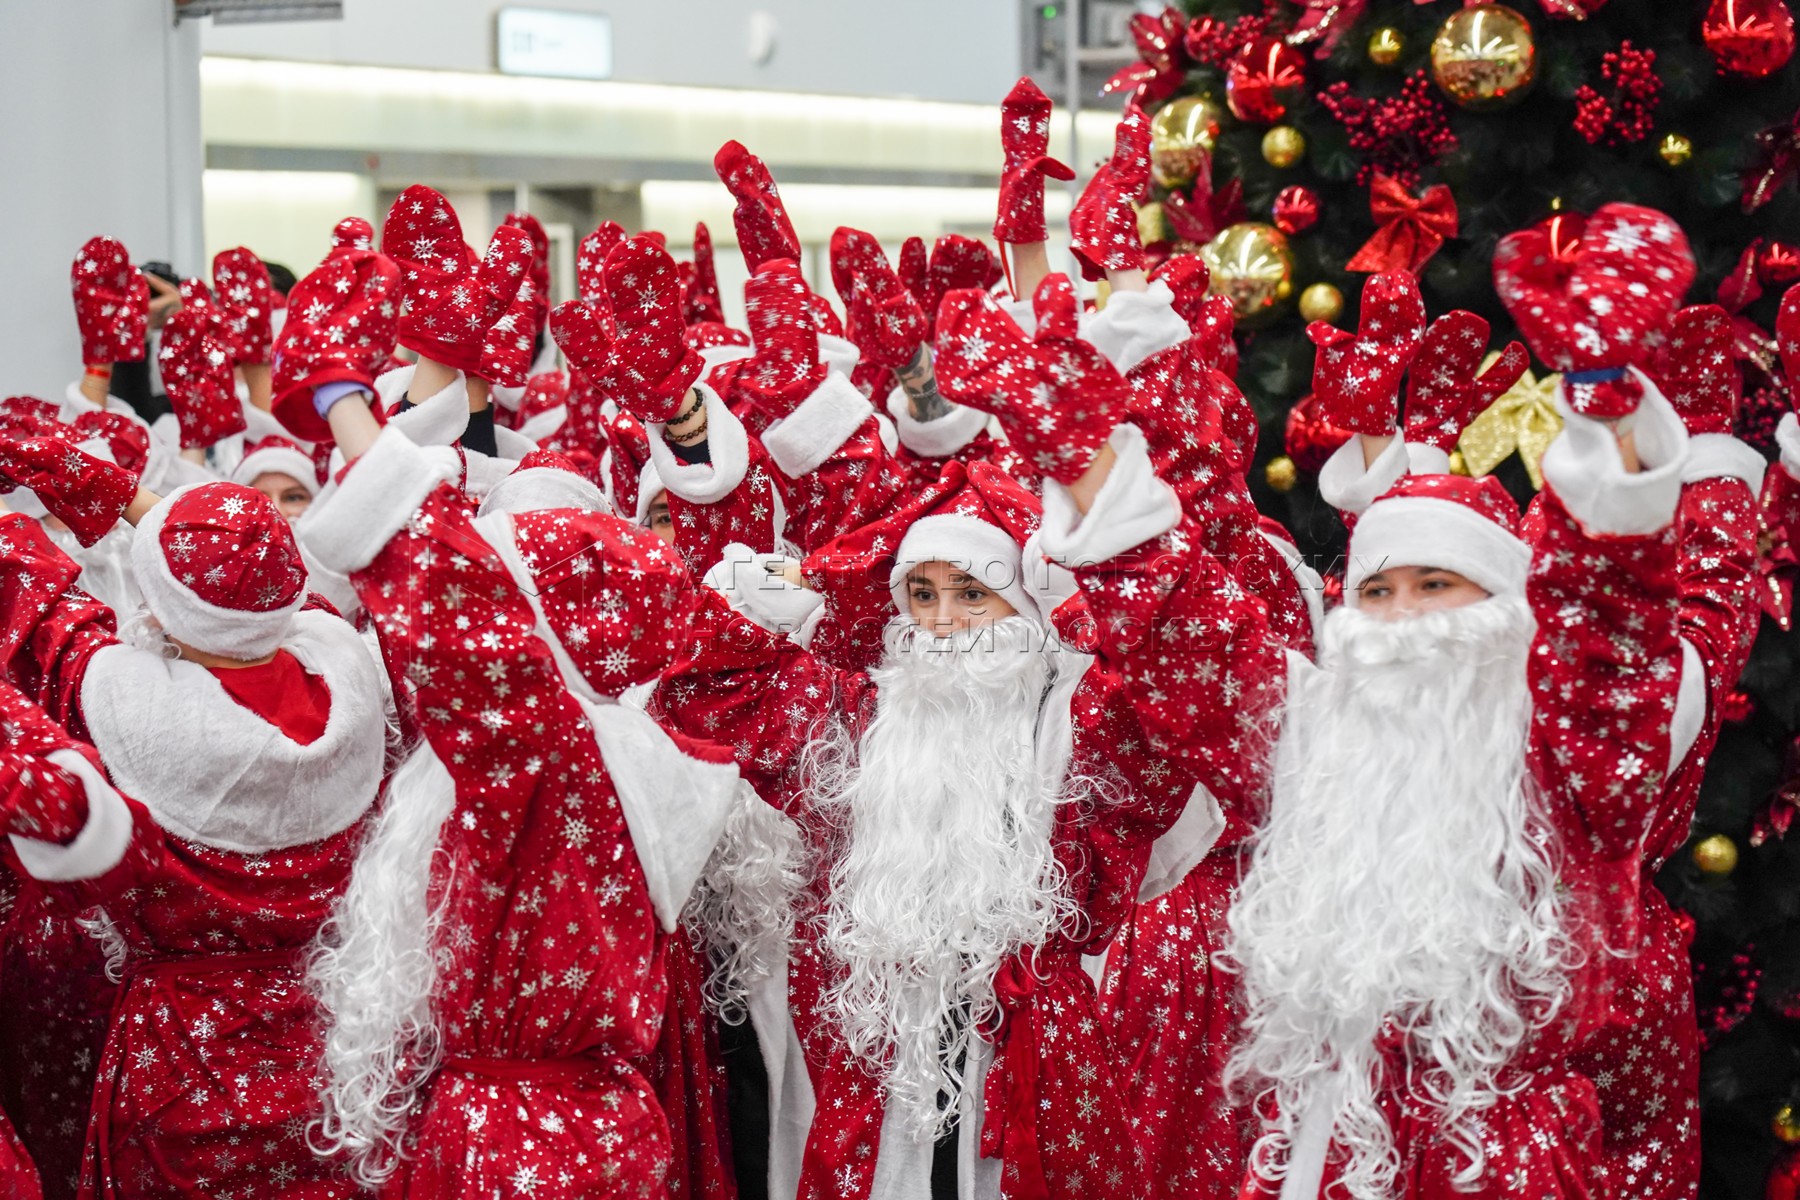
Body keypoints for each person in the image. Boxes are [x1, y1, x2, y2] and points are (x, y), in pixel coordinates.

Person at [289, 187, 741, 1200]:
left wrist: (344, 397)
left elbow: (447, 602)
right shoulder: (641, 749)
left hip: (517, 1150)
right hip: (614, 1130)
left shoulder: (537, 755)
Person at [0, 422, 388, 1198]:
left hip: (183, 1070)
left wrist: (64, 491)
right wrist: (135, 499)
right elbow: (258, 586)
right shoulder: (349, 676)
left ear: (163, 600)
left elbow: (43, 612)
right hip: (340, 1055)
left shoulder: (117, 703)